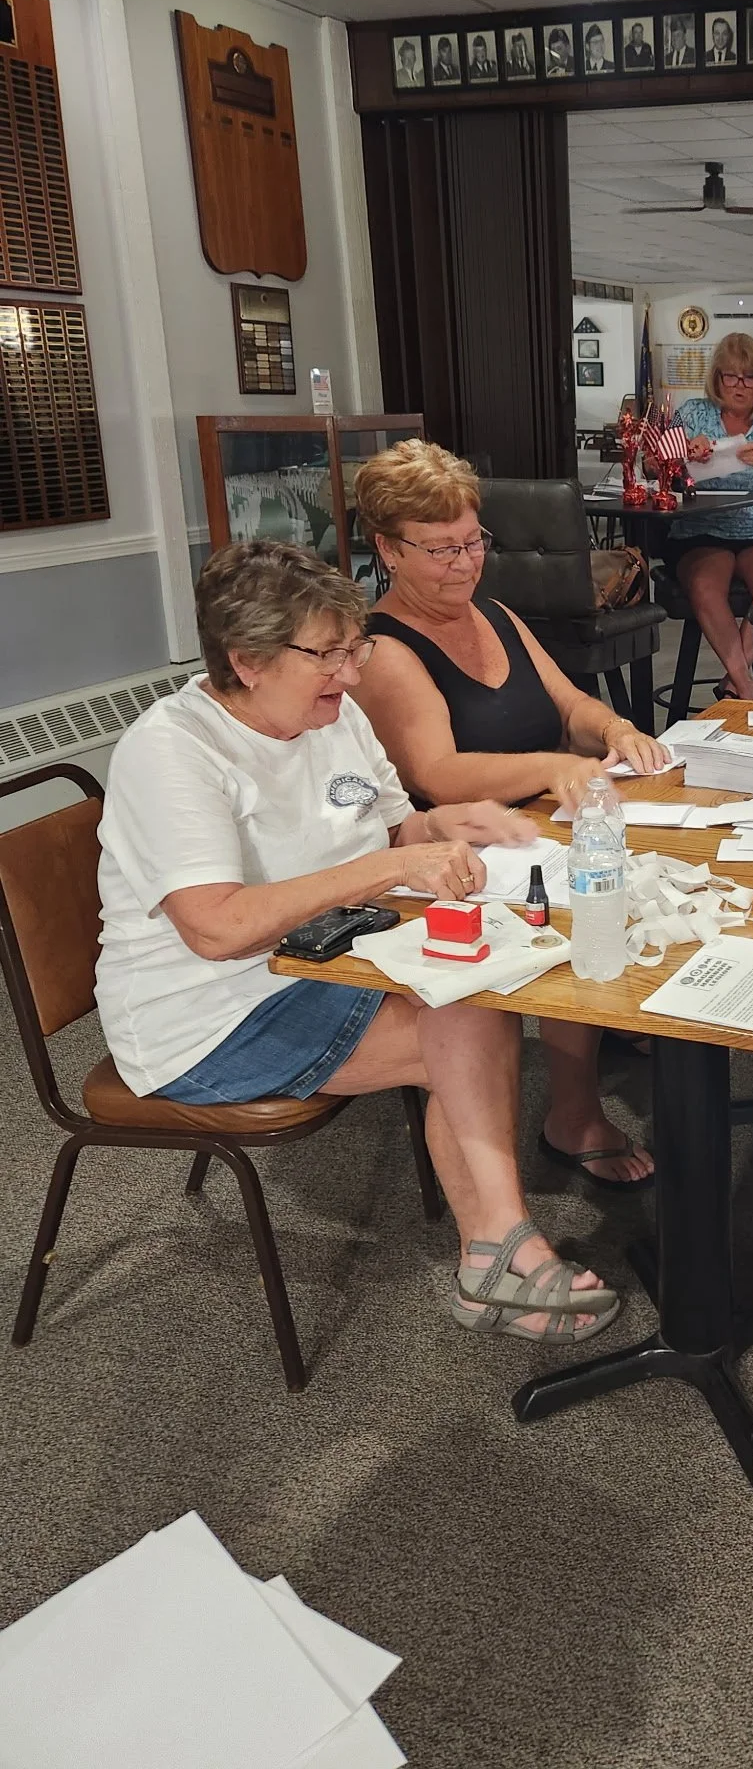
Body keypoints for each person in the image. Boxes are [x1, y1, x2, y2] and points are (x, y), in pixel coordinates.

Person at [94, 540, 623, 1343]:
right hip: (209, 1016)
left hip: (326, 955)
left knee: (475, 992)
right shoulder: (172, 752)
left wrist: (446, 824)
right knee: (468, 1018)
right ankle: (502, 1248)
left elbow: (382, 824)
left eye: (354, 648)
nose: (349, 673)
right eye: (327, 656)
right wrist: (389, 865)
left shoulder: (327, 717)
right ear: (248, 660)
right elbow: (216, 929)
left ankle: (493, 1249)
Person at [351, 440, 670, 1188]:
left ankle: (626, 1028)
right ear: (387, 550)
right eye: (440, 550)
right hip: (452, 853)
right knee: (588, 903)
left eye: (473, 542)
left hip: (535, 827)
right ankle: (573, 1113)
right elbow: (437, 773)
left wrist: (614, 731)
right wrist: (555, 766)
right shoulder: (385, 648)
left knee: (645, 868)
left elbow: (569, 701)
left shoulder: (491, 612)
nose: (465, 563)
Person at [659, 333, 753, 701]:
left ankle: (733, 683)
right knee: (706, 584)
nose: (739, 386)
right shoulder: (693, 413)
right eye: (731, 376)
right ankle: (746, 686)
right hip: (700, 529)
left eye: (749, 377)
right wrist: (683, 456)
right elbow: (655, 467)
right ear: (717, 378)